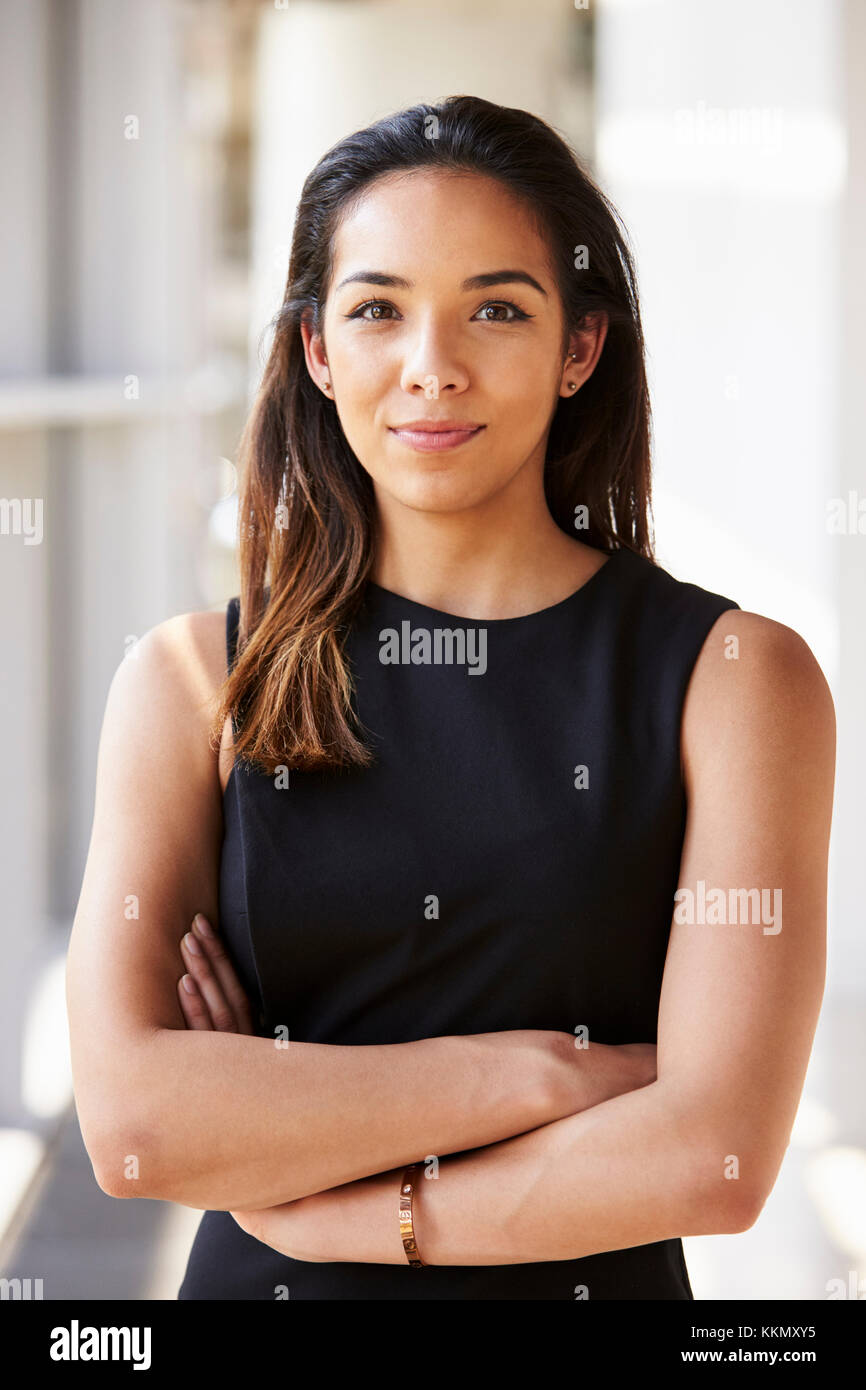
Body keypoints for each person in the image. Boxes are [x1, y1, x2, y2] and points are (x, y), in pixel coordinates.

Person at [66, 95, 835, 1300]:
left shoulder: (736, 680)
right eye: (376, 309)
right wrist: (538, 1078)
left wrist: (329, 1194)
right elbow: (131, 1127)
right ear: (318, 350)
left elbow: (711, 1155)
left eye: (494, 308)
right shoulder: (191, 683)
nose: (431, 367)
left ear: (578, 348)